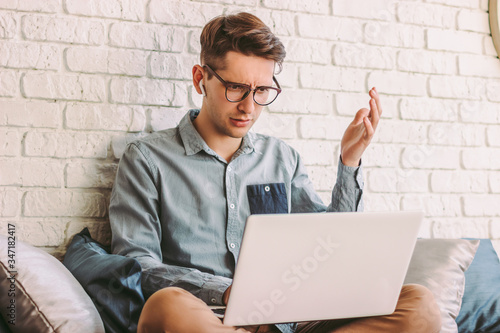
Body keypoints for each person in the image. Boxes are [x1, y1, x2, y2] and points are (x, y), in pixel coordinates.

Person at [109, 12, 441, 333]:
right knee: (166, 306)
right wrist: (227, 291)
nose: (249, 107)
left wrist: (349, 161)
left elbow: (334, 248)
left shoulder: (283, 159)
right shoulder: (147, 159)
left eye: (262, 91)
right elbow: (137, 264)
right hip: (209, 318)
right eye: (236, 88)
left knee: (419, 305)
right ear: (201, 78)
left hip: (290, 321)